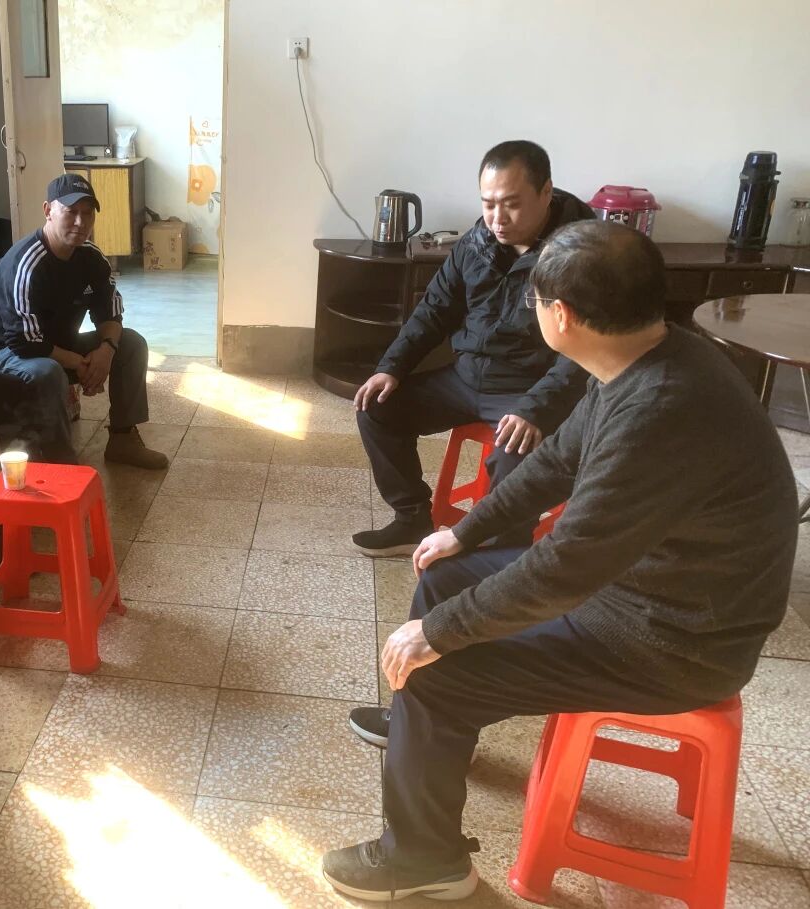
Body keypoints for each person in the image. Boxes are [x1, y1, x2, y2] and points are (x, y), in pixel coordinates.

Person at [321, 221, 797, 902]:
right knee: (446, 574)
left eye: (535, 301)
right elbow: (555, 461)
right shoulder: (644, 356)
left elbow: (564, 567)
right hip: (641, 591)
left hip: (673, 642)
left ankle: (424, 861)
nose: (534, 310)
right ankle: (418, 731)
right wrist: (466, 532)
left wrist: (437, 634)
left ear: (561, 315)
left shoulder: (660, 408)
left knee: (437, 670)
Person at [353, 140, 593, 561]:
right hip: (464, 378)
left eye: (512, 204)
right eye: (488, 204)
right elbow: (434, 310)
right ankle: (412, 519)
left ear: (546, 193)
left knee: (514, 455)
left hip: (527, 389)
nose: (497, 218)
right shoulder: (477, 241)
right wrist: (391, 367)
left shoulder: (581, 255)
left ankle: (502, 557)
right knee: (376, 407)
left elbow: (583, 348)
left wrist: (536, 408)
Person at [0, 173, 168, 468]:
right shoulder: (25, 264)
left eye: (87, 213)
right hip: (0, 356)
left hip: (52, 347)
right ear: (48, 210)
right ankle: (60, 463)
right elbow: (24, 343)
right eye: (71, 212)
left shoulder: (90, 256)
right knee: (47, 370)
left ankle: (123, 440)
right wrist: (81, 364)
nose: (80, 222)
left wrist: (105, 352)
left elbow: (110, 312)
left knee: (131, 344)